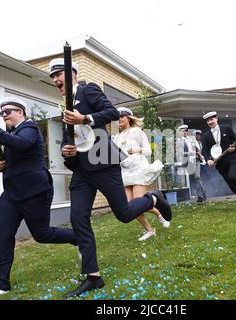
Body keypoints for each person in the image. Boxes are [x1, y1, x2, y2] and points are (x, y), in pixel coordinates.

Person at [49, 58, 172, 297]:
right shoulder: (63, 107)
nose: (55, 80)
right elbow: (70, 137)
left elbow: (112, 112)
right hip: (82, 171)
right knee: (78, 218)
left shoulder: (88, 90)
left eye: (59, 74)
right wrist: (66, 150)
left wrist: (84, 118)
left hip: (103, 162)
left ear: (72, 73)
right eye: (52, 77)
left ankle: (154, 198)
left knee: (124, 214)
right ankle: (93, 276)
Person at [0, 97, 78, 300]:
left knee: (42, 235)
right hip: (11, 195)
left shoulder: (30, 129)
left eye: (8, 111)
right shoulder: (8, 134)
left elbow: (20, 145)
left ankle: (80, 238)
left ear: (21, 112)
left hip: (35, 193)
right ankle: (1, 285)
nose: (4, 115)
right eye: (1, 112)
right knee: (2, 234)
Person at [113, 107, 169, 241]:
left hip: (138, 170)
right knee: (129, 206)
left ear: (129, 118)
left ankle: (160, 215)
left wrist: (137, 149)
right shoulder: (117, 136)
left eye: (122, 116)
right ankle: (149, 230)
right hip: (125, 172)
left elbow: (148, 151)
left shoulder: (137, 132)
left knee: (138, 201)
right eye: (118, 117)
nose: (119, 119)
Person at [201, 111, 236, 208]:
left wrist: (234, 147)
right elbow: (204, 151)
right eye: (207, 121)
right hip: (220, 163)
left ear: (216, 119)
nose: (210, 122)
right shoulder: (205, 136)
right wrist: (208, 160)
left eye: (211, 119)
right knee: (230, 184)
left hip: (231, 158)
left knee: (232, 176)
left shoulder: (226, 128)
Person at [193, 129, 207, 202]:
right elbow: (196, 152)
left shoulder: (201, 143)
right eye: (196, 134)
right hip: (193, 161)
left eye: (199, 134)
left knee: (197, 178)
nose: (198, 135)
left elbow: (201, 152)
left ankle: (200, 196)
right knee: (197, 178)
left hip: (200, 161)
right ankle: (203, 193)